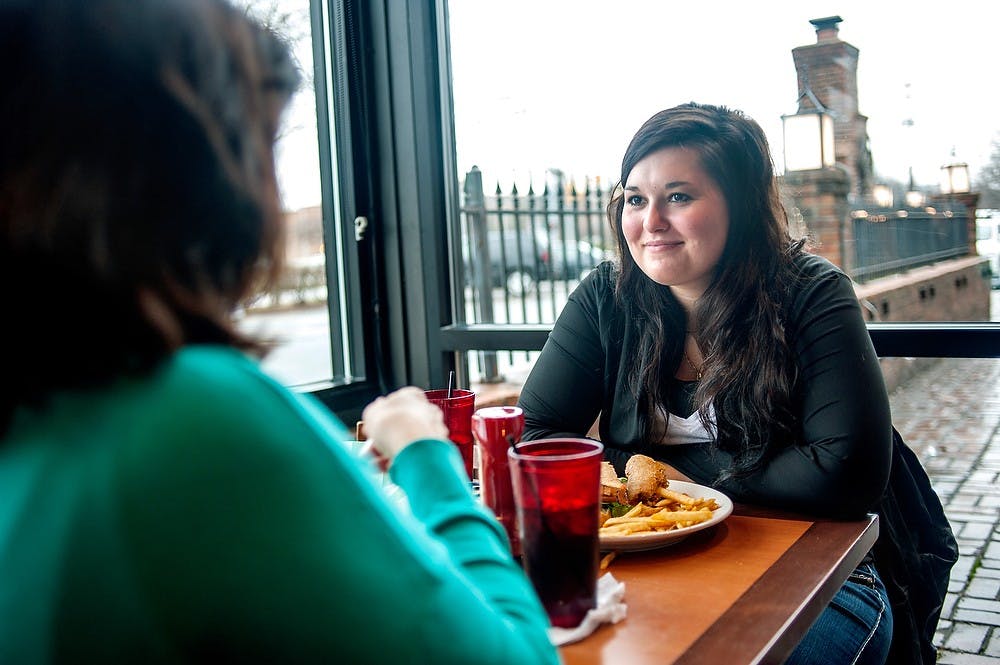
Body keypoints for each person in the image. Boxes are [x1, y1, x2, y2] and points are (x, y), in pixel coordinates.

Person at [0, 1, 559, 663]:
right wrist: (424, 452)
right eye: (261, 143)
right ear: (196, 170)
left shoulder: (49, 410)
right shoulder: (195, 412)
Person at [518, 102, 955, 664]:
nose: (650, 221)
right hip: (648, 564)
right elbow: (537, 431)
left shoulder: (810, 293)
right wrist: (641, 483)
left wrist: (669, 476)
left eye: (678, 196)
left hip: (820, 575)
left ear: (741, 207)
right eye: (635, 198)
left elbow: (846, 473)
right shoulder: (607, 296)